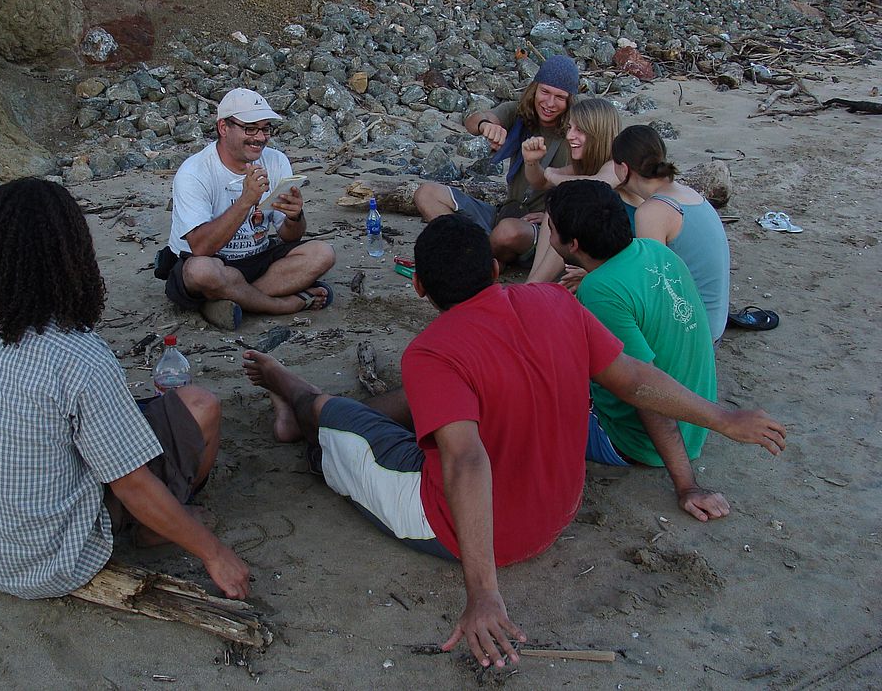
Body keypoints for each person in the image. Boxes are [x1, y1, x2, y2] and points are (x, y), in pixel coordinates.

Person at [245, 213, 785, 669]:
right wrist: (722, 417)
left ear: (419, 288)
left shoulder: (431, 351)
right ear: (496, 270)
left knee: (332, 420)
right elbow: (636, 378)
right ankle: (311, 403)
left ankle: (289, 392)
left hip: (459, 526)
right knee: (427, 403)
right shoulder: (555, 302)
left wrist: (483, 593)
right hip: (556, 511)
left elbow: (465, 462)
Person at [0, 177, 250, 602]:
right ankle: (156, 529)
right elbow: (130, 483)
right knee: (200, 407)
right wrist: (214, 554)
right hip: (49, 560)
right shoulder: (77, 356)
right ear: (72, 253)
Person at [545, 180, 731, 521]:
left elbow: (642, 388)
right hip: (694, 427)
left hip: (635, 443)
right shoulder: (657, 252)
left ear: (572, 244)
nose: (549, 237)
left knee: (527, 391)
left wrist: (687, 485)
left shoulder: (600, 292)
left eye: (552, 230)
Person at [163, 87, 336, 330]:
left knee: (323, 253)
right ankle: (282, 305)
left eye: (265, 128)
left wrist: (295, 217)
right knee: (202, 272)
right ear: (224, 128)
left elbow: (289, 236)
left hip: (256, 257)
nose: (260, 138)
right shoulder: (195, 172)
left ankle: (226, 301)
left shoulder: (276, 161)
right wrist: (246, 200)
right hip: (208, 262)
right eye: (250, 128)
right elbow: (200, 247)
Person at [413, 54, 579, 265]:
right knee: (426, 194)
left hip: (542, 228)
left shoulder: (578, 128)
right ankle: (476, 253)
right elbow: (473, 119)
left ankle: (472, 260)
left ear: (570, 99)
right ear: (535, 89)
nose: (550, 103)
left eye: (560, 97)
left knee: (508, 232)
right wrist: (486, 125)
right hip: (507, 211)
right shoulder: (520, 112)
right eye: (545, 92)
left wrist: (551, 217)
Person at [612, 125, 730, 342]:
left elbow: (650, 287)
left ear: (623, 168)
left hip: (692, 333)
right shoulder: (689, 195)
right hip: (713, 323)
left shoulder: (652, 211)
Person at [523, 96, 625, 283]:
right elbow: (540, 183)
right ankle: (534, 282)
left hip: (624, 256)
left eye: (580, 130)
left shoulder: (616, 163)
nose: (570, 136)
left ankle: (532, 287)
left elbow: (600, 182)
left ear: (598, 133)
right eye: (570, 128)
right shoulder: (583, 166)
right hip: (598, 249)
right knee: (553, 211)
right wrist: (531, 162)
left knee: (570, 216)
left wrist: (554, 177)